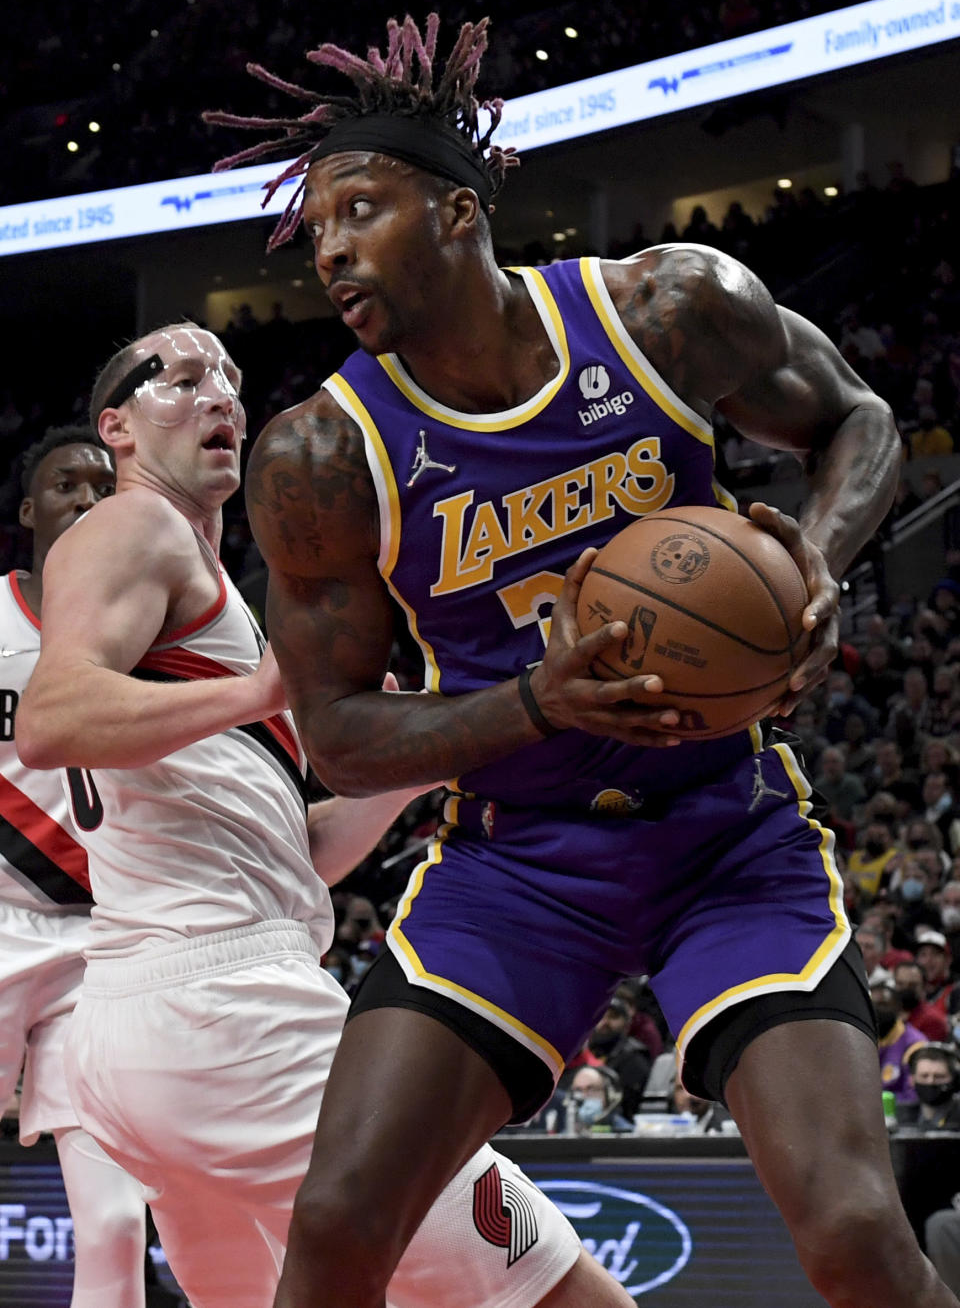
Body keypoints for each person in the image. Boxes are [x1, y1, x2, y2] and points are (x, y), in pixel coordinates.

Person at [216, 12, 957, 1308]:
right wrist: (532, 701)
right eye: (317, 227)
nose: (329, 247)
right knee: (336, 1223)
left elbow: (861, 419)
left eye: (361, 209)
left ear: (457, 215)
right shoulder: (321, 458)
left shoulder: (665, 312)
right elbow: (335, 735)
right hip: (519, 857)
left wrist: (819, 567)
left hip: (727, 834)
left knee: (850, 1227)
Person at [16, 324, 630, 1308]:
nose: (218, 392)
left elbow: (298, 855)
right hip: (228, 1013)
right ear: (116, 427)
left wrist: (432, 757)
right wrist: (263, 688)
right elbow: (50, 720)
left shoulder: (203, 593)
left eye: (229, 377)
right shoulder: (138, 527)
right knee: (563, 1293)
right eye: (180, 377)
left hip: (163, 1020)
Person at [0, 425, 148, 1308]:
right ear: (28, 512)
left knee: (116, 1224)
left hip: (98, 948)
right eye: (68, 486)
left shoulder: (166, 636)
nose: (91, 499)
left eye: (107, 486)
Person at [900, 1045, 960, 1129]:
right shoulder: (900, 1117)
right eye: (924, 1076)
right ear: (912, 1080)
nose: (930, 1081)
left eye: (939, 1076)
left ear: (955, 1079)